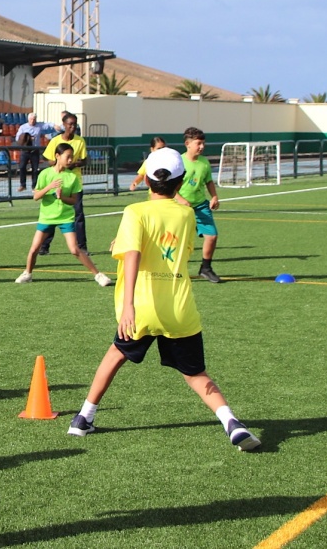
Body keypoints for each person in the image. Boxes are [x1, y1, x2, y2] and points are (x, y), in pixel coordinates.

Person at [66, 147, 261, 452]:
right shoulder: (186, 214)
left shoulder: (135, 212)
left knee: (115, 356)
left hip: (141, 307)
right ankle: (232, 423)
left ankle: (83, 418)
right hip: (179, 307)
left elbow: (133, 254)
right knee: (195, 374)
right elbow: (168, 249)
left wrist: (128, 304)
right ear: (181, 182)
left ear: (146, 182)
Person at [16, 142, 111, 287]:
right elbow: (36, 196)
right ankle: (27, 273)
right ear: (57, 156)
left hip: (65, 217)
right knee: (34, 248)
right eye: (68, 157)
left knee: (74, 249)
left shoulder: (72, 177)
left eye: (72, 157)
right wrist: (50, 187)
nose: (70, 160)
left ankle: (98, 275)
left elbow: (73, 201)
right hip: (47, 217)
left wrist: (62, 197)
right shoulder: (45, 174)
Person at [37, 114, 88, 256]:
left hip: (73, 181)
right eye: (70, 124)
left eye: (75, 124)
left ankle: (82, 246)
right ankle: (45, 246)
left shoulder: (80, 141)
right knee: (53, 214)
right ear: (64, 125)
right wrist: (60, 163)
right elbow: (48, 160)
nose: (72, 127)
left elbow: (84, 160)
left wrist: (75, 163)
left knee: (78, 214)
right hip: (57, 181)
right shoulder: (55, 141)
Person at [178, 127, 221, 283]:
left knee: (212, 236)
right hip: (180, 207)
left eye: (203, 143)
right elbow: (169, 186)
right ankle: (173, 269)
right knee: (177, 240)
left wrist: (214, 197)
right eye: (199, 143)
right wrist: (180, 199)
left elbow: (208, 181)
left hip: (201, 205)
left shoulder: (204, 162)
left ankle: (206, 268)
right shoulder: (179, 161)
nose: (202, 147)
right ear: (188, 144)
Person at [14, 113, 52, 192]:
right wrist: (25, 138)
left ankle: (34, 186)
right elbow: (17, 138)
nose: (32, 120)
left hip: (35, 150)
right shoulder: (23, 127)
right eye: (31, 119)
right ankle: (22, 185)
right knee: (22, 167)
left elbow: (47, 125)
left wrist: (54, 126)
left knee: (35, 169)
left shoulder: (39, 126)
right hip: (25, 150)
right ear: (28, 119)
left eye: (34, 119)